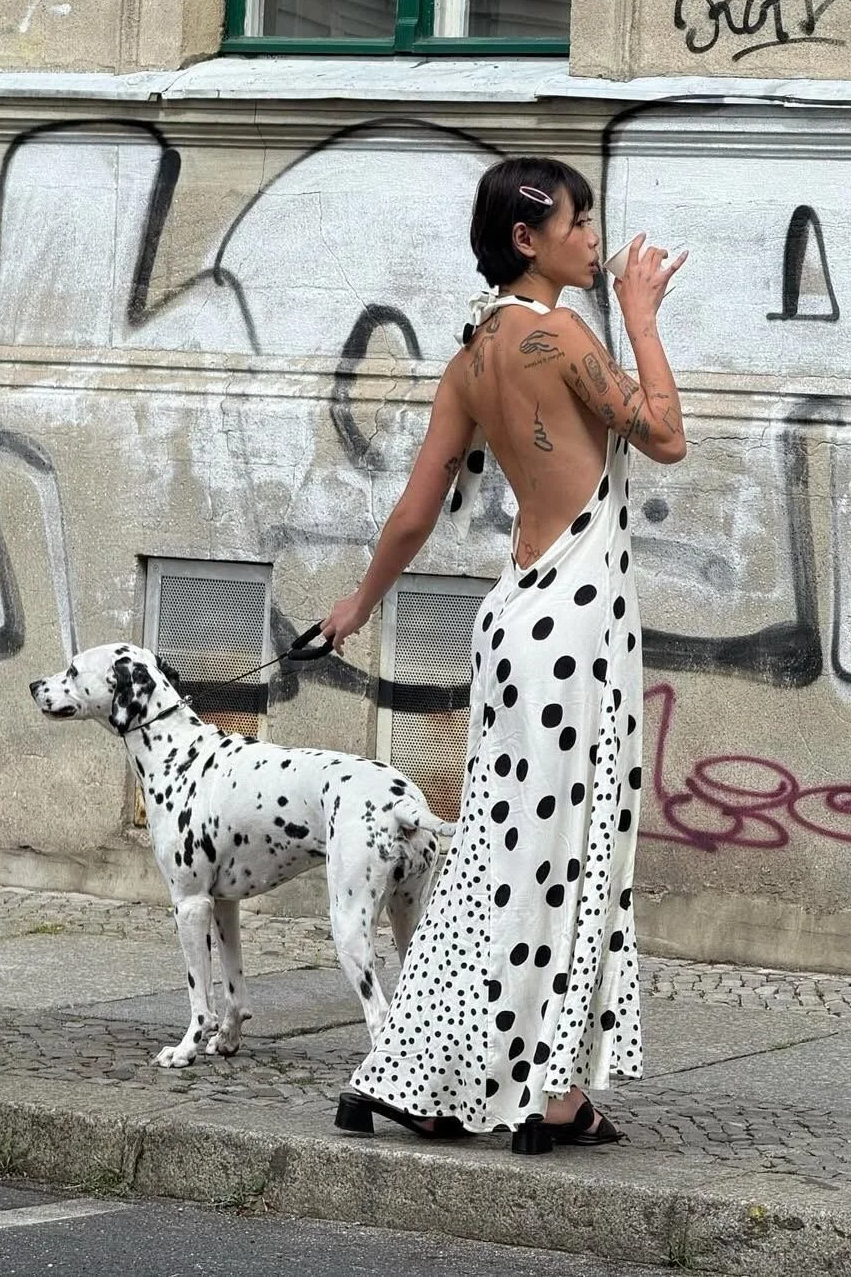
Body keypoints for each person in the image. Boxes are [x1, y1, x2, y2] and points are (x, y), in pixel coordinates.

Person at [321, 156, 687, 1155]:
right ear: (528, 238)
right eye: (577, 220)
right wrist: (642, 318)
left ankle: (419, 1076)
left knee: (495, 852)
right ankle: (547, 1095)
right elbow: (663, 436)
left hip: (514, 622)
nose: (592, 236)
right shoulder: (557, 333)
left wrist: (358, 604)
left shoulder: (474, 350)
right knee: (564, 860)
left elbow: (414, 507)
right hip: (574, 623)